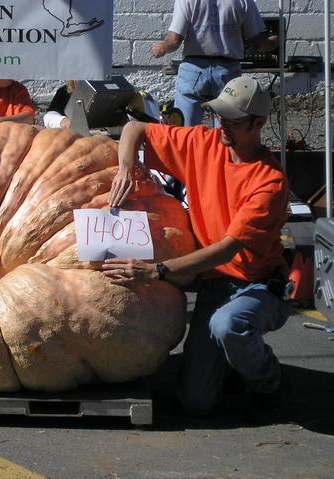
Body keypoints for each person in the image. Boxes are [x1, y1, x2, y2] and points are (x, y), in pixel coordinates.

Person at [102, 77, 291, 418]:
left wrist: (156, 270)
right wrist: (125, 167)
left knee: (228, 325)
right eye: (220, 115)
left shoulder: (269, 182)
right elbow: (135, 129)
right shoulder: (204, 142)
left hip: (257, 287)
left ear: (259, 123)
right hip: (214, 285)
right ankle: (234, 361)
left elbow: (227, 249)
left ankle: (268, 381)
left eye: (233, 120)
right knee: (195, 402)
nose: (223, 125)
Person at [151, 0, 278, 126]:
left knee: (184, 130)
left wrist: (163, 47)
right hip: (227, 69)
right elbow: (258, 43)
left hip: (193, 69)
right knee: (226, 131)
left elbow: (174, 40)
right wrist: (275, 40)